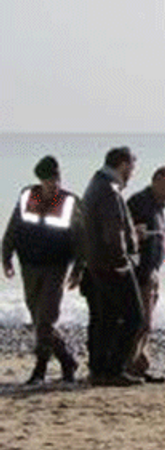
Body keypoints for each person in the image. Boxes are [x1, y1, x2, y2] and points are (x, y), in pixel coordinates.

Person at [2, 155, 81, 384]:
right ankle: (66, 360)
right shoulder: (27, 195)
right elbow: (13, 226)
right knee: (38, 321)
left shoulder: (69, 202)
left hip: (55, 267)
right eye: (47, 180)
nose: (52, 184)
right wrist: (5, 256)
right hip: (28, 265)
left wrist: (78, 268)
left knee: (45, 320)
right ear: (40, 180)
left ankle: (41, 367)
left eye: (55, 179)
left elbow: (80, 238)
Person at [75, 146, 144, 386]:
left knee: (105, 319)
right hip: (111, 266)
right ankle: (114, 369)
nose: (132, 173)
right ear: (123, 165)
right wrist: (125, 262)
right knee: (134, 316)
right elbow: (112, 234)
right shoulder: (108, 191)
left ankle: (100, 369)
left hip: (96, 264)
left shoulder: (96, 185)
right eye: (132, 168)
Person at [125, 166, 165, 382]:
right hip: (140, 273)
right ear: (157, 180)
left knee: (146, 324)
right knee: (141, 323)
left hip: (151, 272)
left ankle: (138, 365)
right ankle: (129, 366)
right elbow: (127, 238)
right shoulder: (139, 203)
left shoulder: (157, 206)